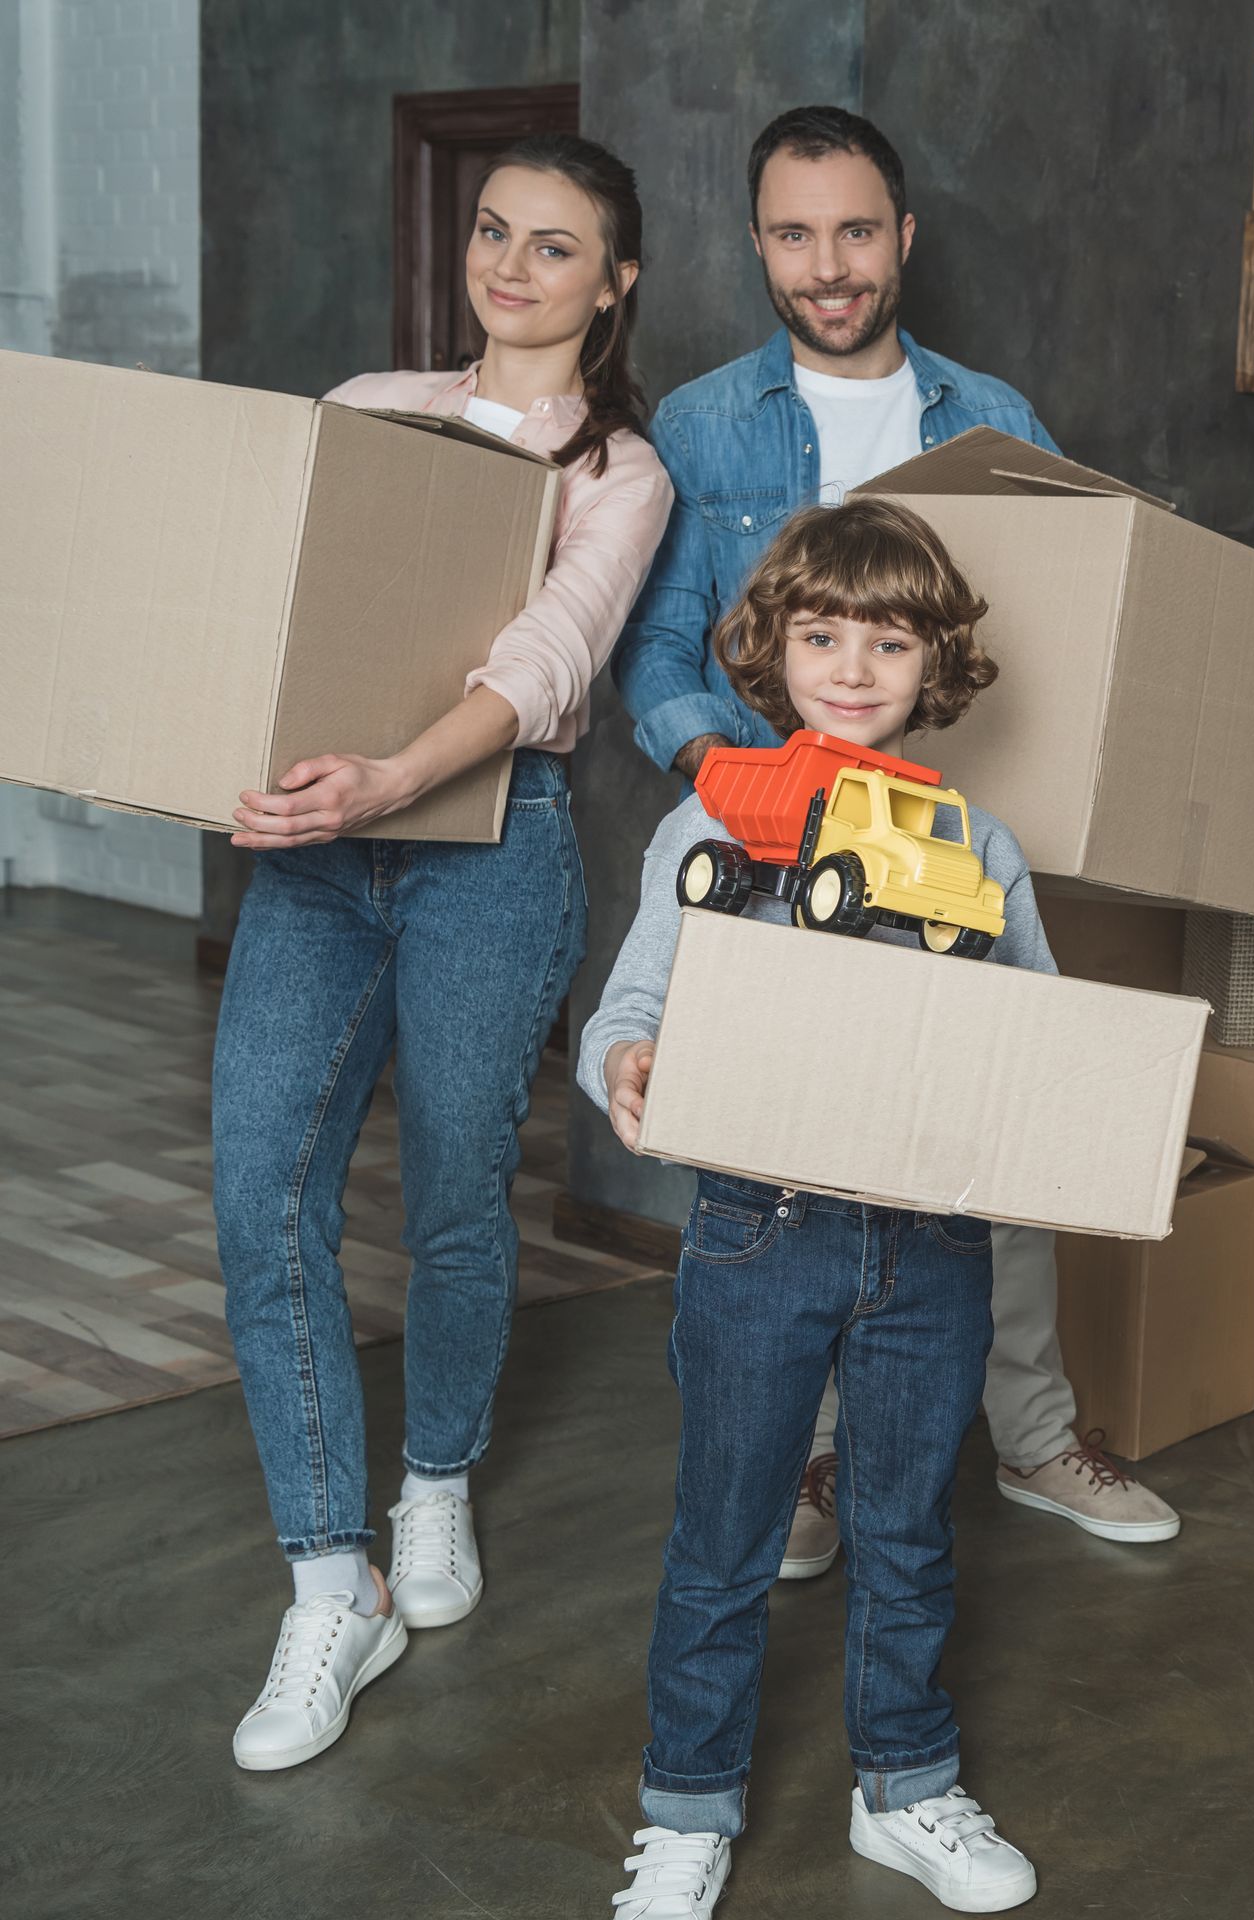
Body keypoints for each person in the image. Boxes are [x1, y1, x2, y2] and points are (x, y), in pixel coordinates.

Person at [615, 102, 1254, 1579]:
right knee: (799, 1165)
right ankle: (815, 1462)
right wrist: (753, 786)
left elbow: (1101, 599)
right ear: (758, 243)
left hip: (951, 853)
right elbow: (662, 655)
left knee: (986, 1139)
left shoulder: (992, 412)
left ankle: (1032, 1434)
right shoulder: (695, 426)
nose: (831, 264)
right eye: (798, 234)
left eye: (858, 230)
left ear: (905, 237)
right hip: (785, 865)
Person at [213, 132, 673, 1772]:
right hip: (319, 857)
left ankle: (434, 1486)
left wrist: (401, 775)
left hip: (490, 850)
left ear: (613, 282)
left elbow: (551, 656)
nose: (511, 267)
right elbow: (265, 612)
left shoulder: (620, 470)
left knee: (458, 1198)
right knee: (262, 1192)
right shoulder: (366, 405)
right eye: (495, 233)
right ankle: (330, 1582)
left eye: (557, 248)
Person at [583, 498, 1049, 1916]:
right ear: (773, 647)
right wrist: (630, 1057)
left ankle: (905, 1783)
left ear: (936, 663)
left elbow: (1032, 1030)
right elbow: (636, 998)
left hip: (928, 1239)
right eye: (823, 634)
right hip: (757, 1228)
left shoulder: (976, 841)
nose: (853, 666)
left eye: (889, 640)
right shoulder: (711, 822)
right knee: (725, 1529)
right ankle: (687, 1802)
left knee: (909, 1526)